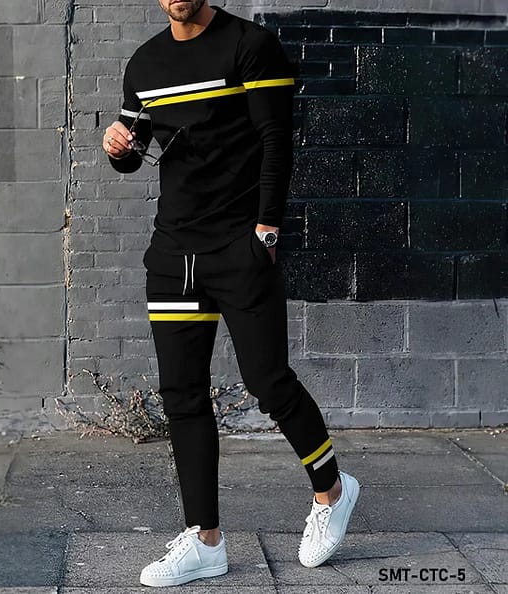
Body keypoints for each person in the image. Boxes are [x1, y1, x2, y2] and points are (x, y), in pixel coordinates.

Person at [103, 0, 360, 587]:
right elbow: (137, 153)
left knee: (268, 381)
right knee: (182, 395)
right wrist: (119, 147)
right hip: (174, 252)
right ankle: (205, 542)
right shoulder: (145, 63)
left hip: (240, 246)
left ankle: (332, 490)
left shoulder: (250, 45)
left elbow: (277, 140)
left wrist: (266, 230)